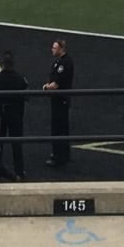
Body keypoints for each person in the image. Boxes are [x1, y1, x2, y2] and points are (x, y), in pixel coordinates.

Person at [0, 51, 28, 182]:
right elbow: (26, 95)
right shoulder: (20, 78)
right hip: (15, 115)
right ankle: (19, 171)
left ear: (2, 64)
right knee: (17, 144)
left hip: (0, 116)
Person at [43, 37, 74, 167]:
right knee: (61, 127)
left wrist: (46, 87)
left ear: (61, 48)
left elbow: (56, 84)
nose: (52, 49)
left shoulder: (64, 63)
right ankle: (63, 153)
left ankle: (58, 156)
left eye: (54, 47)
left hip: (60, 100)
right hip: (59, 100)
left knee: (58, 128)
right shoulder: (60, 61)